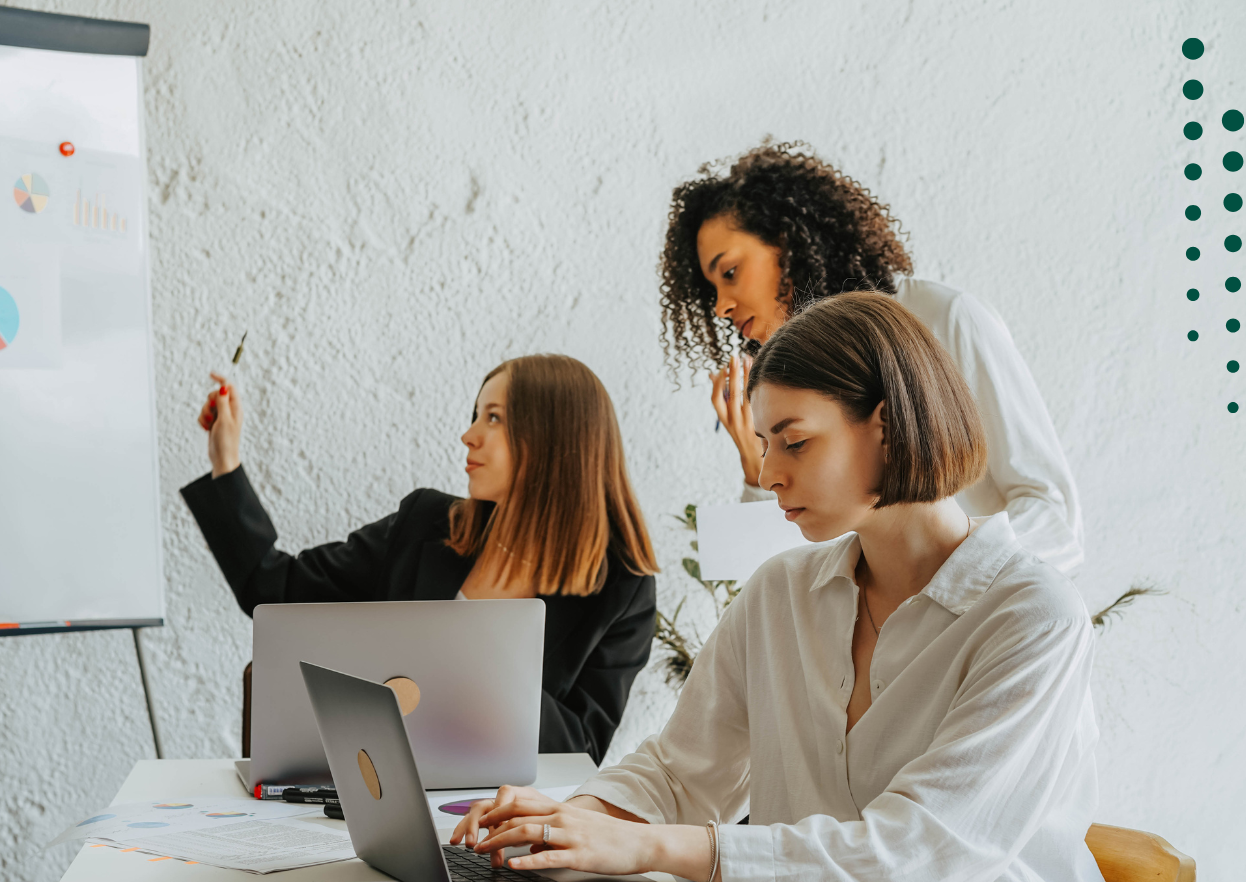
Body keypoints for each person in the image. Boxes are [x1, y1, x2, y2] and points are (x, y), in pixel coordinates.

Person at [453, 293, 1102, 882]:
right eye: (763, 444)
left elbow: (915, 855)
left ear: (885, 425)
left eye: (793, 443)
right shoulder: (778, 594)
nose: (767, 475)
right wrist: (568, 822)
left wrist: (651, 848)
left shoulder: (1032, 618)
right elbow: (683, 772)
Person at [181, 354, 659, 764]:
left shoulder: (622, 589)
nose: (468, 435)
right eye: (477, 414)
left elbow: (582, 751)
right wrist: (227, 462)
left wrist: (478, 657)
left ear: (555, 440)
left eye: (494, 418)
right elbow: (273, 589)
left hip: (495, 819)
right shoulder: (426, 524)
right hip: (377, 787)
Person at [658, 142, 1083, 574]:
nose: (720, 307)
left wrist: (946, 583)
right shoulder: (787, 387)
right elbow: (780, 576)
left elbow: (1053, 514)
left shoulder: (945, 319)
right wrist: (757, 461)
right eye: (711, 289)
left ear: (788, 242)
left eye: (729, 272)